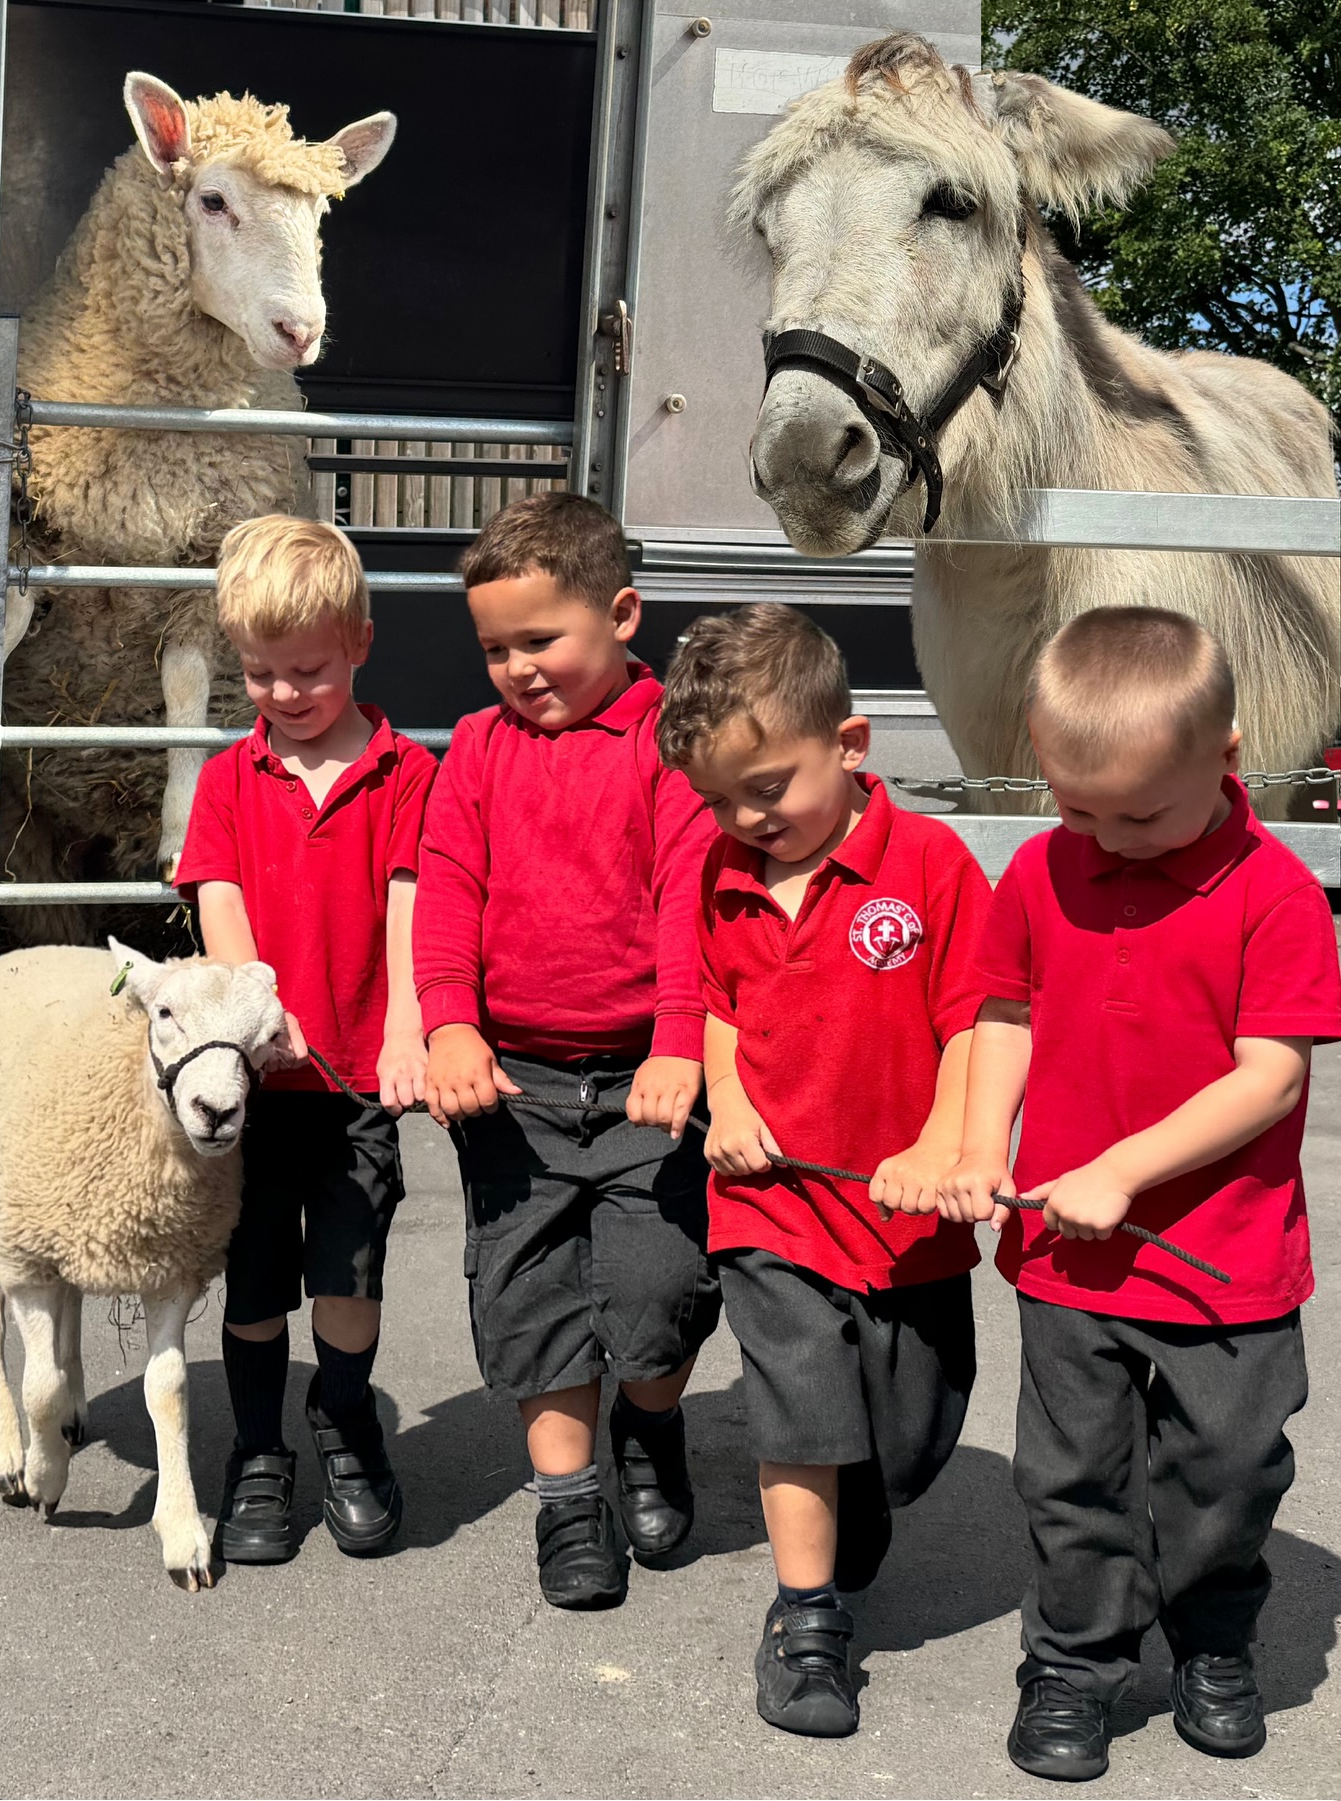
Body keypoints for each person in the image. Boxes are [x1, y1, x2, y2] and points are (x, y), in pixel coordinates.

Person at [940, 607, 1341, 1781]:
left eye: (1142, 814)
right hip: (1069, 1257)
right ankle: (1070, 1661)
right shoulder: (1040, 869)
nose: (1106, 838)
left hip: (1228, 1255)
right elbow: (1002, 1012)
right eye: (1076, 807)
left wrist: (1123, 1168)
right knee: (1070, 1475)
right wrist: (977, 1138)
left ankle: (1213, 1638)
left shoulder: (1277, 897)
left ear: (1226, 758)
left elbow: (1271, 1079)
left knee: (1226, 1468)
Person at [657, 603, 991, 1738]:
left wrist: (945, 1145)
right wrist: (732, 1107)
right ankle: (806, 1625)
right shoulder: (723, 869)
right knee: (799, 1409)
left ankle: (854, 1513)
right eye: (718, 801)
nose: (746, 819)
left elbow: (977, 1024)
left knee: (903, 1442)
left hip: (908, 1219)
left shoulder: (934, 865)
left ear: (850, 746)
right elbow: (715, 1004)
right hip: (770, 1203)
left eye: (767, 788)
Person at [414, 493, 721, 1611]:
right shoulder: (480, 754)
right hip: (516, 1086)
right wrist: (448, 1021)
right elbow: (447, 893)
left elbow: (692, 896)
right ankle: (568, 1497)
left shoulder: (667, 747)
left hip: (648, 1078)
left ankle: (650, 1422)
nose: (516, 667)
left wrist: (683, 1040)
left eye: (541, 640)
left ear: (623, 613)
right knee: (528, 1289)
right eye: (495, 647)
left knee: (661, 1283)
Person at [175, 514, 437, 1566]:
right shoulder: (231, 782)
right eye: (260, 672)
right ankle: (256, 1449)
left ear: (360, 645)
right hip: (254, 1085)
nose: (285, 692)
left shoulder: (406, 776)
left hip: (354, 1079)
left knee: (348, 1270)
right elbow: (218, 900)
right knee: (252, 1278)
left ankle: (343, 1416)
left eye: (307, 670)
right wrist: (253, 1010)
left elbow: (414, 903)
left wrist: (412, 1025)